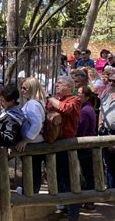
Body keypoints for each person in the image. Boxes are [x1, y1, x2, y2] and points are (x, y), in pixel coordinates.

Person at [46, 76, 81, 219]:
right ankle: (62, 207)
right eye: (56, 84)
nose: (56, 86)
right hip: (54, 142)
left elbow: (64, 109)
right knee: (58, 177)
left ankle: (73, 213)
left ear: (68, 86)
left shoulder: (75, 100)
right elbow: (48, 110)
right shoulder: (55, 99)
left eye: (60, 84)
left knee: (69, 179)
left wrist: (48, 97)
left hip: (67, 144)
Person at [15, 77, 46, 194]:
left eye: (25, 88)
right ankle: (31, 191)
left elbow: (37, 124)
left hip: (34, 142)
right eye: (21, 88)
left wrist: (26, 140)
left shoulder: (32, 104)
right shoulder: (36, 102)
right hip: (36, 141)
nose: (22, 90)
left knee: (32, 169)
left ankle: (29, 192)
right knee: (34, 169)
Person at [76, 86, 97, 211]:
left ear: (87, 97)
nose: (77, 95)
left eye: (80, 93)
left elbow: (81, 130)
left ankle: (89, 200)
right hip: (87, 147)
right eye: (77, 93)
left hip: (85, 147)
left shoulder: (85, 111)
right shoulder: (87, 108)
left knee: (87, 175)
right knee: (87, 174)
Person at [99, 73, 115, 189]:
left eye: (114, 81)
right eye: (110, 80)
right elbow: (101, 110)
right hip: (106, 132)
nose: (112, 83)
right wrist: (100, 125)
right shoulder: (105, 93)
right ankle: (111, 193)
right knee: (109, 164)